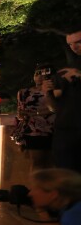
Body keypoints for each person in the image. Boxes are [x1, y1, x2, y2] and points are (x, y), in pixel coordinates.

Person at [43, 28, 81, 173]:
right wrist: (48, 92)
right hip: (66, 133)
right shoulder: (68, 70)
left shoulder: (73, 71)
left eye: (78, 42)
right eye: (70, 44)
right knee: (65, 177)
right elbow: (54, 108)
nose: (74, 47)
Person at [13, 65, 55, 173]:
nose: (39, 77)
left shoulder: (53, 90)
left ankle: (47, 188)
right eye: (36, 74)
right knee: (36, 161)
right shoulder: (24, 92)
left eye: (42, 73)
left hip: (52, 129)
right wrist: (23, 115)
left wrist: (36, 113)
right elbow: (20, 113)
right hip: (33, 131)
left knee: (50, 163)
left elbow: (55, 109)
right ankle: (36, 188)